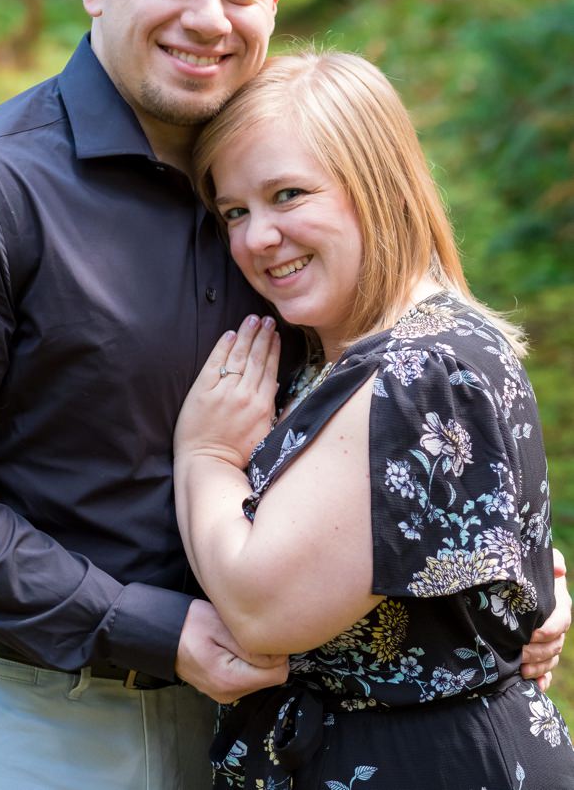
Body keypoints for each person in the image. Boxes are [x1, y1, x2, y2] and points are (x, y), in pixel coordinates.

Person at [0, 0, 568, 788]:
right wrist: (156, 628)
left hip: (273, 720)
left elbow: (402, 404)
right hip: (39, 722)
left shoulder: (286, 173)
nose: (208, 19)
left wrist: (504, 577)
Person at [174, 49, 574, 787]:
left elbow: (263, 610)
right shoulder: (344, 353)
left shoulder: (420, 370)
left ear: (379, 187)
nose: (257, 237)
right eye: (236, 210)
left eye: (288, 194)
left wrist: (203, 455)